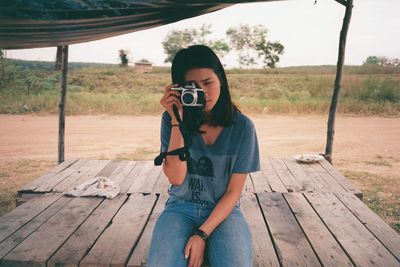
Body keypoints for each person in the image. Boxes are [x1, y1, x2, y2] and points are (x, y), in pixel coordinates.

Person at [148, 45, 260, 267]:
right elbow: (176, 179)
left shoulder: (243, 127)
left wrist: (202, 234)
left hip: (223, 211)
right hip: (180, 207)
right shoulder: (170, 120)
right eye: (193, 87)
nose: (203, 93)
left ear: (221, 80)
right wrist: (176, 119)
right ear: (179, 89)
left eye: (207, 83)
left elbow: (233, 192)